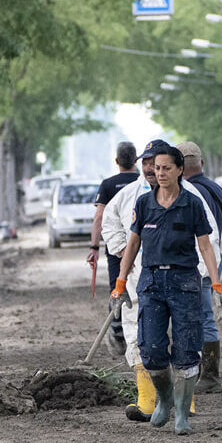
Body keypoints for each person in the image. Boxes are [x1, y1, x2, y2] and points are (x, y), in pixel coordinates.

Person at [102, 140, 220, 423]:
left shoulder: (191, 198)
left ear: (176, 169)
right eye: (149, 164)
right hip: (142, 279)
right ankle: (148, 399)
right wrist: (121, 269)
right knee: (142, 339)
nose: (153, 169)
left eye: (160, 165)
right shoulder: (133, 197)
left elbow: (207, 242)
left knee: (185, 341)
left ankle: (183, 404)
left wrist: (207, 279)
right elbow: (112, 226)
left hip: (183, 279)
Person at [177, 142, 222, 394]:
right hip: (214, 258)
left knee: (202, 318)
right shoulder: (216, 188)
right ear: (201, 164)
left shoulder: (191, 193)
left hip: (199, 261)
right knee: (205, 316)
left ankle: (209, 377)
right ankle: (206, 374)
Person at [87, 141, 138, 354]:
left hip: (116, 247)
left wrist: (94, 246)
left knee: (117, 286)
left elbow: (100, 216)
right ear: (136, 161)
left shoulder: (108, 185)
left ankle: (118, 335)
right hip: (142, 245)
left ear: (117, 161)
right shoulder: (144, 182)